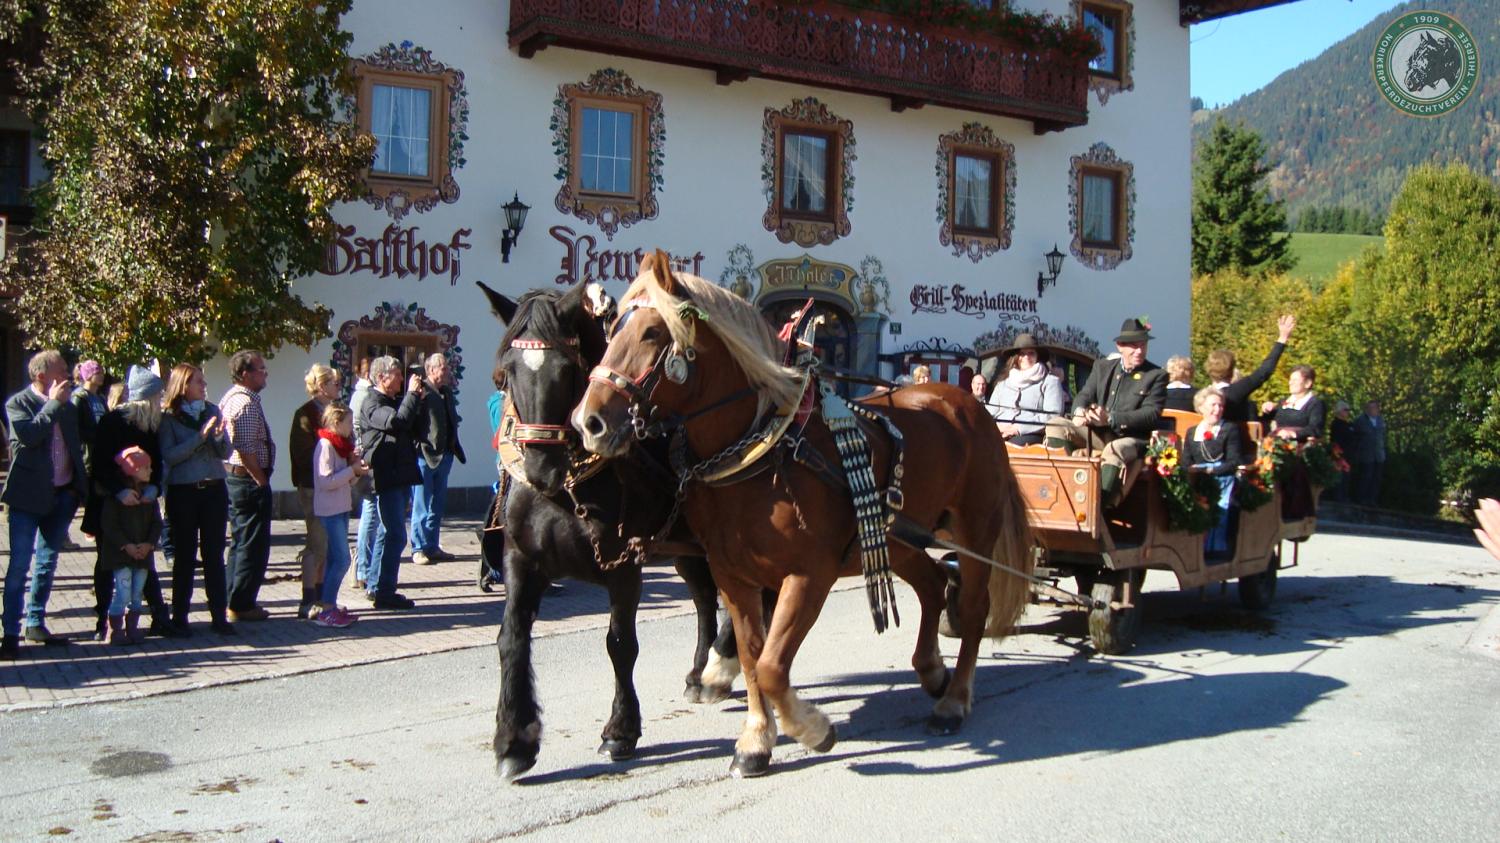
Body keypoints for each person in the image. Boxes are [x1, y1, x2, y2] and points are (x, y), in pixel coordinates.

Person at [2, 350, 88, 657]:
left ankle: (35, 622)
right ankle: (10, 633)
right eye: (61, 369)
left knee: (47, 562)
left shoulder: (68, 407)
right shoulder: (18, 404)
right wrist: (52, 404)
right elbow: (28, 437)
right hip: (27, 498)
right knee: (19, 565)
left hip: (62, 495)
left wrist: (78, 490)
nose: (67, 374)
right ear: (42, 376)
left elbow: (77, 446)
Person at [89, 364, 176, 639]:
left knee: (143, 561)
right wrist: (119, 490)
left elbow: (157, 461)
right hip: (111, 504)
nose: (160, 402)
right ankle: (104, 621)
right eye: (157, 396)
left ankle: (159, 616)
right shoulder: (112, 422)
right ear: (146, 397)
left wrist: (154, 487)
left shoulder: (151, 426)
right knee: (108, 562)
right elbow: (99, 465)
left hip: (141, 506)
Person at [1044, 318, 1167, 506]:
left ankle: (1099, 505)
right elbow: (1084, 395)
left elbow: (1151, 414)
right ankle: (1065, 488)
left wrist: (1110, 418)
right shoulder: (1102, 367)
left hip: (1132, 439)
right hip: (1098, 434)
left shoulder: (1156, 375)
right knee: (1056, 425)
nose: (1139, 351)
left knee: (1114, 449)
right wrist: (1080, 412)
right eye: (1134, 346)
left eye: (1143, 345)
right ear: (1120, 346)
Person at [159, 363, 236, 636]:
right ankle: (180, 616)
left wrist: (218, 437)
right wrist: (199, 437)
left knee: (214, 554)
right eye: (199, 382)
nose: (204, 386)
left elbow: (225, 452)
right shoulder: (169, 417)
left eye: (204, 381)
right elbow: (169, 455)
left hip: (214, 488)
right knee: (184, 555)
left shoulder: (212, 410)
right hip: (184, 491)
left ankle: (219, 616)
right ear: (183, 386)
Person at [358, 356, 425, 610]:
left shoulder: (392, 401)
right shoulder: (372, 402)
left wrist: (418, 400)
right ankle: (385, 592)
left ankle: (376, 586)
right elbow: (397, 423)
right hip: (387, 477)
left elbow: (412, 426)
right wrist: (411, 395)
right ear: (381, 377)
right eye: (397, 374)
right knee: (395, 535)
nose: (401, 379)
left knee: (387, 534)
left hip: (399, 476)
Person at [220, 350, 275, 622]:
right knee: (251, 545)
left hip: (239, 479)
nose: (265, 374)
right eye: (260, 369)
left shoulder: (232, 398)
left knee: (241, 542)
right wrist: (260, 480)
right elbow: (244, 448)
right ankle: (241, 604)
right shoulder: (245, 403)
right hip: (247, 480)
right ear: (245, 374)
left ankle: (232, 599)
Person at [290, 364, 341, 618]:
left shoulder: (331, 411)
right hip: (313, 487)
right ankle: (307, 599)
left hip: (332, 486)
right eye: (335, 383)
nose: (338, 387)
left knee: (327, 545)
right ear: (321, 386)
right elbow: (303, 455)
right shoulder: (305, 414)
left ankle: (321, 597)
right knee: (316, 543)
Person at [311, 405, 369, 628]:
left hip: (341, 507)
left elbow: (348, 480)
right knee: (343, 559)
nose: (351, 428)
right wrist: (351, 470)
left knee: (335, 558)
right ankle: (326, 608)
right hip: (330, 510)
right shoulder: (326, 445)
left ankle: (330, 605)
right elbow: (326, 481)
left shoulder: (341, 447)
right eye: (348, 423)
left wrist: (356, 469)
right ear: (336, 423)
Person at [99, 446, 163, 645]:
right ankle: (115, 629)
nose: (151, 471)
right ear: (133, 470)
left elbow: (157, 523)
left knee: (137, 594)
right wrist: (125, 545)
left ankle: (132, 628)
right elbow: (110, 525)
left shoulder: (148, 497)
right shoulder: (116, 498)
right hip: (121, 555)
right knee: (123, 592)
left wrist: (149, 544)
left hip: (143, 554)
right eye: (146, 468)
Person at [412, 353, 466, 564]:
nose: (447, 372)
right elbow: (412, 420)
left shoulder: (446, 392)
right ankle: (418, 548)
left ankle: (432, 546)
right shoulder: (421, 391)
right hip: (425, 457)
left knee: (437, 504)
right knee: (421, 504)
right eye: (443, 368)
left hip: (445, 455)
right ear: (431, 370)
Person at [1185, 388, 1248, 558]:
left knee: (1222, 506)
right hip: (1198, 479)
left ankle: (1217, 549)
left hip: (1223, 478)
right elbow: (1186, 462)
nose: (1218, 409)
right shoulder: (1192, 432)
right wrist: (1193, 472)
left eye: (1220, 406)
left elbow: (1234, 462)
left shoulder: (1229, 429)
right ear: (1201, 407)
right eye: (1213, 405)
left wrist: (1210, 470)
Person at [1206, 314, 1297, 423]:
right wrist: (1282, 338)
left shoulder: (1201, 396)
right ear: (1232, 371)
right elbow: (1265, 371)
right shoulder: (1237, 391)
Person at [989, 334, 1066, 447]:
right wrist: (998, 428)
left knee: (1006, 448)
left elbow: (1052, 416)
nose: (1026, 357)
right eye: (1022, 354)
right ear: (1016, 357)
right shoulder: (1001, 385)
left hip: (1030, 435)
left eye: (1031, 353)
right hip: (998, 432)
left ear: (1037, 357)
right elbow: (989, 414)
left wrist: (1018, 428)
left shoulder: (1050, 382)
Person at [350, 358, 379, 591]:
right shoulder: (364, 396)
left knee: (371, 513)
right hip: (367, 460)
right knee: (370, 513)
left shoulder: (361, 394)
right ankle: (362, 568)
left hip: (366, 458)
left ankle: (363, 568)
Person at [1259, 364, 1326, 442]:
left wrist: (1293, 434)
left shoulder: (1315, 404)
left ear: (1307, 383)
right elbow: (1266, 421)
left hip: (1302, 445)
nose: (1290, 383)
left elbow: (1315, 428)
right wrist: (1267, 410)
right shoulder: (1283, 402)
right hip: (1279, 444)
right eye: (1290, 380)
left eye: (1295, 380)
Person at [1351, 399, 1387, 507]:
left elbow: (1382, 436)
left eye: (1374, 408)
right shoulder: (1360, 421)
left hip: (1378, 455)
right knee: (1365, 477)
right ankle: (1361, 499)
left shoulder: (1380, 420)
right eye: (1370, 408)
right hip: (1366, 455)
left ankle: (1372, 500)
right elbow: (1355, 438)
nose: (1372, 410)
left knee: (1376, 478)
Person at [1327, 400, 1357, 503]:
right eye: (1345, 410)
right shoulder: (1336, 424)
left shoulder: (1348, 424)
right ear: (1339, 411)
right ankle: (1338, 497)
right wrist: (1339, 456)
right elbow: (1335, 441)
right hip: (1340, 455)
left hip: (1349, 455)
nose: (1348, 412)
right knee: (1339, 477)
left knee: (1346, 477)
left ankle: (1344, 496)